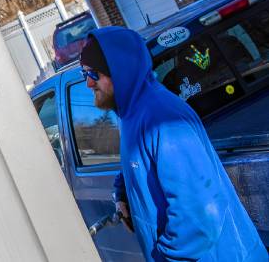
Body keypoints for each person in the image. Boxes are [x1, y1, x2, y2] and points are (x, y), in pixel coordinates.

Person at [80, 26, 266, 261]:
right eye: (83, 73)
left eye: (94, 73)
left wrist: (167, 257)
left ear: (119, 70)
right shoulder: (132, 115)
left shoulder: (160, 118)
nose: (88, 83)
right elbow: (141, 163)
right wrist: (123, 193)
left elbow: (199, 215)